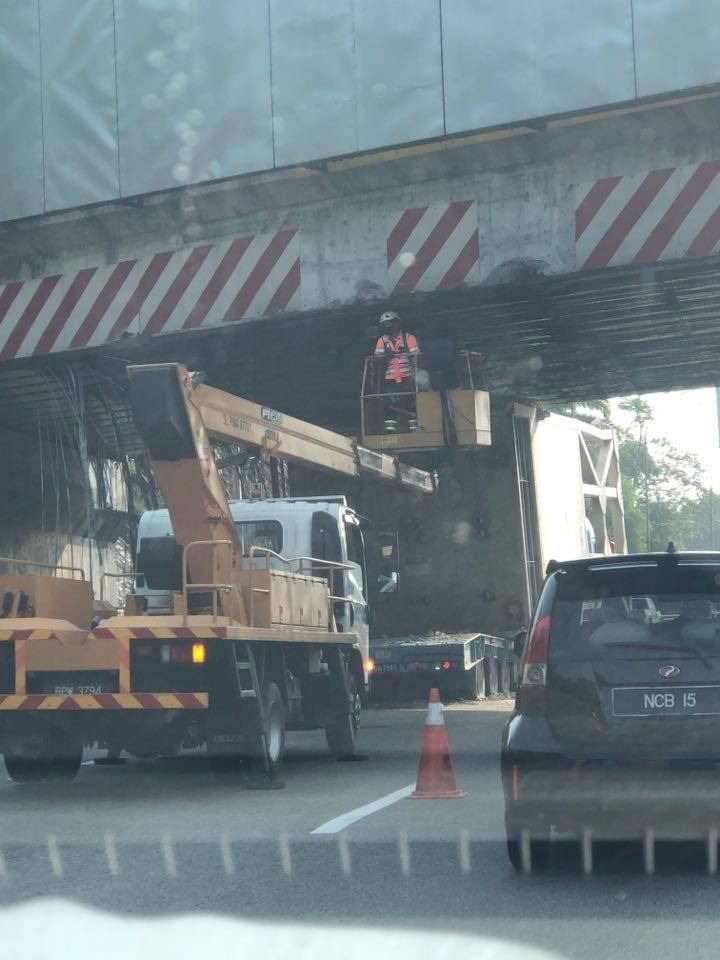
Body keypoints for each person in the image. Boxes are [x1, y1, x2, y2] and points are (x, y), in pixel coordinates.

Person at [374, 312, 420, 391]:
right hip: (390, 379)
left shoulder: (409, 337)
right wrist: (386, 356)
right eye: (384, 324)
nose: (387, 327)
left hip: (408, 377)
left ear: (396, 323)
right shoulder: (382, 340)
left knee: (410, 400)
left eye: (388, 323)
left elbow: (416, 358)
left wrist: (413, 377)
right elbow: (377, 360)